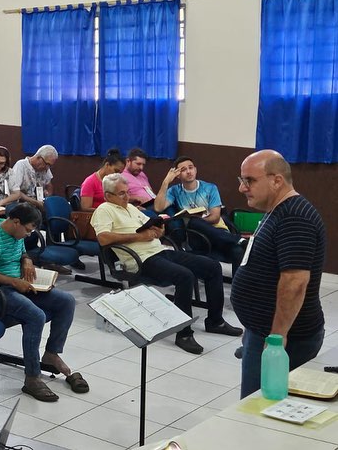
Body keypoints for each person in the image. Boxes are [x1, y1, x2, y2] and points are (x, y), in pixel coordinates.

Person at [91, 173, 242, 355]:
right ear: (108, 195)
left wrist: (159, 230)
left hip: (160, 251)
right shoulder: (104, 210)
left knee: (212, 267)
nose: (126, 197)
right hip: (141, 260)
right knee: (185, 276)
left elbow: (149, 228)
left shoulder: (131, 208)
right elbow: (103, 238)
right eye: (121, 193)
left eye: (127, 192)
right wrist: (139, 236)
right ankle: (183, 334)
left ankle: (215, 321)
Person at [231, 150, 325, 398]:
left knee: (259, 407)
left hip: (283, 338)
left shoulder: (295, 217)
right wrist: (252, 324)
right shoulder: (278, 210)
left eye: (249, 180)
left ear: (276, 180)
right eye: (241, 180)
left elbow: (295, 283)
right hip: (263, 329)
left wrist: (277, 336)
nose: (242, 188)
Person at [0, 203, 85, 402]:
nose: (28, 234)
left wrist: (27, 260)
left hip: (17, 286)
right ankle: (32, 378)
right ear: (16, 222)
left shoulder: (16, 234)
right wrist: (13, 281)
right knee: (35, 316)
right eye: (28, 230)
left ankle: (51, 354)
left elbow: (21, 252)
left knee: (66, 301)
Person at [154, 156, 244, 273]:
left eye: (191, 168)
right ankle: (238, 240)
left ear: (195, 170)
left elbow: (215, 218)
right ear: (178, 175)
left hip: (218, 232)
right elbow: (158, 207)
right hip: (197, 237)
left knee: (238, 251)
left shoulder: (210, 188)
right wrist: (166, 182)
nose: (188, 171)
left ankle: (237, 283)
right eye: (183, 170)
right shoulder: (175, 191)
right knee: (193, 222)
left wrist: (199, 220)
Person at [9, 144, 58, 210]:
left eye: (50, 166)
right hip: (22, 205)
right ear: (38, 157)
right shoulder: (21, 165)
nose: (47, 168)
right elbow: (15, 191)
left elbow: (49, 185)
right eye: (47, 164)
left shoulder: (45, 168)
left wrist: (47, 196)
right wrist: (35, 202)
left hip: (39, 204)